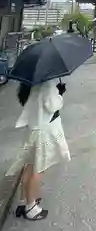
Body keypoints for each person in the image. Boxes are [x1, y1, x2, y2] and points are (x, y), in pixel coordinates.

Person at [6, 79, 71, 221]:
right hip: (44, 130)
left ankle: (24, 202)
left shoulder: (30, 81)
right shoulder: (47, 82)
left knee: (29, 165)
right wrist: (59, 94)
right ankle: (31, 208)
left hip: (34, 127)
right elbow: (52, 105)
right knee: (38, 168)